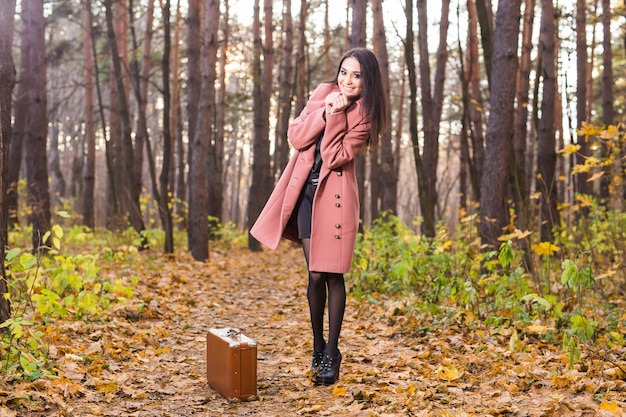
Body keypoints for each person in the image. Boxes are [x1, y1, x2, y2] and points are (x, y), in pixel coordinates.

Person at [250, 48, 388, 385]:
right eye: (344, 72)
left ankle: (332, 353)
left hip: (336, 200)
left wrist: (337, 117)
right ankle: (317, 345)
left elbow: (334, 156)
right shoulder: (323, 94)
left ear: (367, 80)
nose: (347, 80)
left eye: (356, 75)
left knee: (333, 275)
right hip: (306, 196)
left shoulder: (366, 114)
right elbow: (296, 136)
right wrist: (325, 113)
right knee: (314, 275)